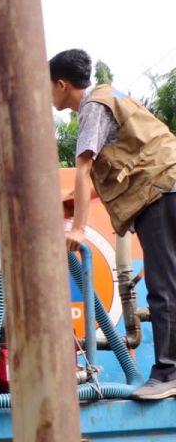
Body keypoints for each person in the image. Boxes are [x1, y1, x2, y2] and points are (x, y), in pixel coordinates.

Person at [50, 48, 176, 400]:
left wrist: (76, 228)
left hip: (160, 192)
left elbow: (84, 168)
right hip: (168, 184)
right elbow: (115, 169)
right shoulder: (112, 99)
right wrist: (65, 206)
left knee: (163, 287)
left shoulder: (93, 107)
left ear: (61, 84)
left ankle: (168, 373)